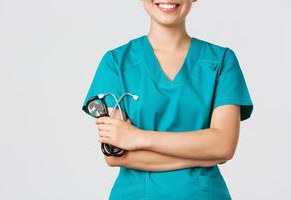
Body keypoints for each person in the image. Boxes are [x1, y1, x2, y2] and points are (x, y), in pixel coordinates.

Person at [82, 0, 254, 199]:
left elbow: (223, 146)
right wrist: (202, 155)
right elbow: (115, 154)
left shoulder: (221, 61)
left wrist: (138, 137)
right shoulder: (116, 62)